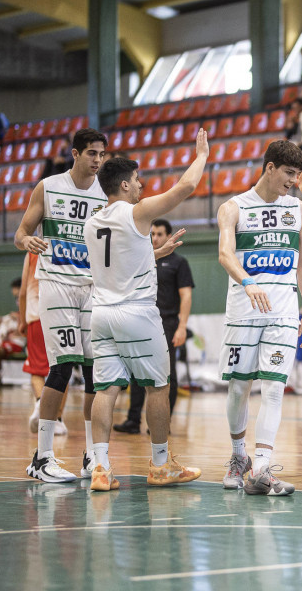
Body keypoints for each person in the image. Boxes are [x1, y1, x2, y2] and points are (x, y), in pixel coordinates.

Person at [83, 135, 208, 492]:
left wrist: (154, 253)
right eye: (137, 180)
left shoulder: (93, 222)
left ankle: (101, 468)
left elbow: (114, 265)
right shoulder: (136, 212)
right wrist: (201, 156)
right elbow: (185, 186)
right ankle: (160, 464)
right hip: (136, 313)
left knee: (106, 389)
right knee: (158, 387)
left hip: (102, 314)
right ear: (124, 184)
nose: (141, 185)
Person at [217, 140, 302, 495]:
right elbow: (226, 254)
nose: (293, 181)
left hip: (284, 313)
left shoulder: (299, 209)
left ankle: (261, 468)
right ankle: (238, 455)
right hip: (244, 311)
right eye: (289, 173)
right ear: (270, 167)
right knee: (239, 388)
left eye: (297, 174)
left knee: (274, 388)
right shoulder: (233, 207)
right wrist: (247, 282)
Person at [16, 128, 107, 483]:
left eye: (101, 153)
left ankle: (90, 456)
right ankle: (41, 457)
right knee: (62, 367)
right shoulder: (49, 186)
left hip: (91, 288)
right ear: (75, 154)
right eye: (91, 153)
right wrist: (27, 240)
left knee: (93, 373)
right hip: (56, 285)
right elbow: (20, 231)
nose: (97, 160)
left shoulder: (107, 194)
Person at [113, 219, 194, 434]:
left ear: (168, 236)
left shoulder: (179, 262)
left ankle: (161, 422)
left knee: (168, 375)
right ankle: (133, 420)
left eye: (159, 234)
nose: (155, 238)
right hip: (140, 321)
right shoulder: (143, 259)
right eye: (153, 234)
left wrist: (182, 326)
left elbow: (186, 295)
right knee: (137, 372)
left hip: (167, 323)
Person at [19, 252, 69, 435]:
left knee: (36, 370)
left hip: (37, 316)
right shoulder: (65, 244)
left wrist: (22, 320)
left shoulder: (32, 251)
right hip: (63, 315)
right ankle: (58, 419)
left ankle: (41, 402)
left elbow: (23, 292)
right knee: (64, 368)